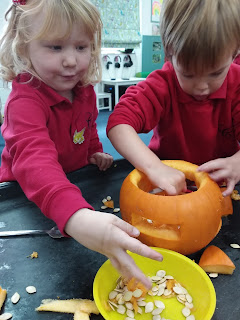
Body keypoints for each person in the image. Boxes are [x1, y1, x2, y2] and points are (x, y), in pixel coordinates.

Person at [0, 0, 163, 288]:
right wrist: (76, 216)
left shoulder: (84, 89)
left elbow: (86, 128)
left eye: (81, 47)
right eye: (55, 47)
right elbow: (34, 162)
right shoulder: (23, 103)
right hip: (25, 199)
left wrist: (93, 151)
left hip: (75, 184)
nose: (71, 61)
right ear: (24, 47)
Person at [107, 0, 240, 198]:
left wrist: (237, 163)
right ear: (169, 52)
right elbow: (118, 124)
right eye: (188, 74)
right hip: (165, 186)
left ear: (235, 53)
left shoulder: (236, 83)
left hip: (220, 187)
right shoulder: (162, 84)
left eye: (215, 74)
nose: (202, 86)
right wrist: (154, 167)